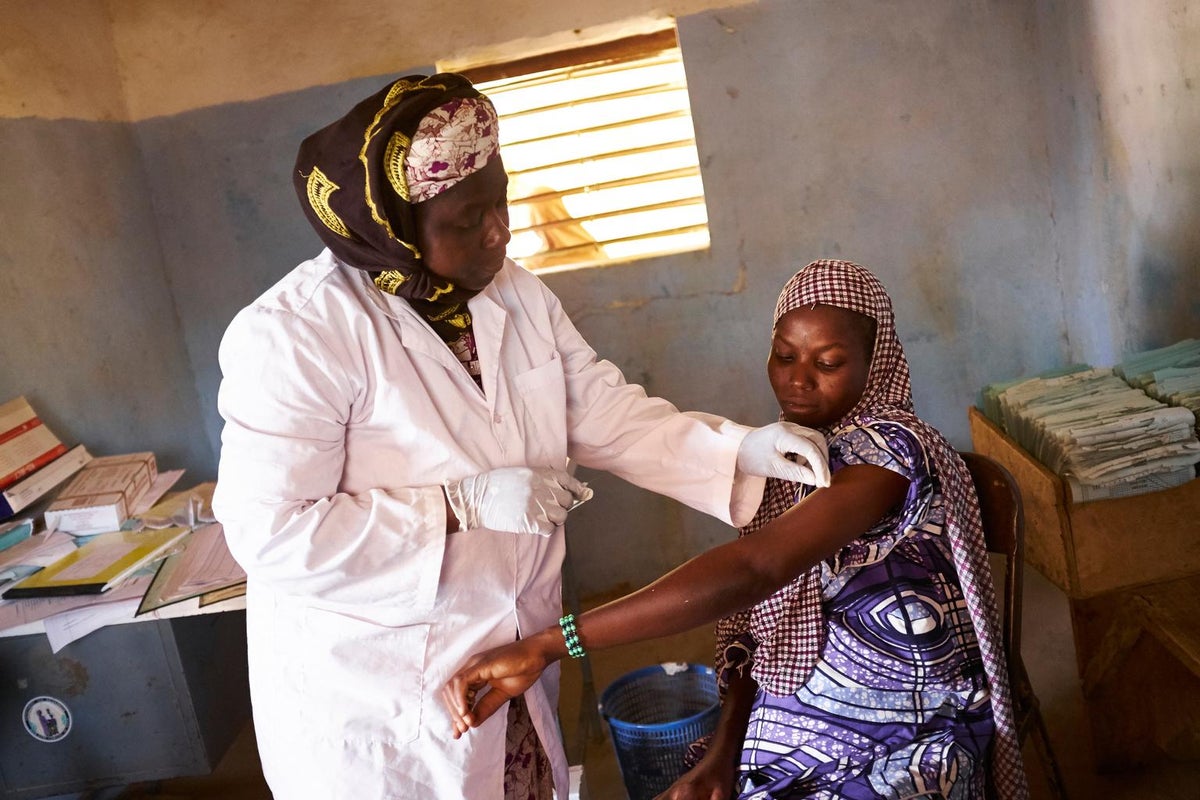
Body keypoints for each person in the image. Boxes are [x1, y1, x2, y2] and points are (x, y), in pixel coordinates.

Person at [211, 72, 831, 800]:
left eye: (500, 201)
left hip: (510, 658)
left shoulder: (512, 291)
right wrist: (458, 505)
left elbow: (598, 408)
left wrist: (735, 448)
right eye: (468, 220)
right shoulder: (296, 336)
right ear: (398, 229)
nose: (499, 231)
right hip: (381, 696)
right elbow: (271, 534)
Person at [444, 260, 1030, 800]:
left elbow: (756, 571)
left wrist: (553, 642)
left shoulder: (891, 455)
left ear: (877, 363)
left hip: (903, 721)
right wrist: (724, 751)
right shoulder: (798, 458)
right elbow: (764, 633)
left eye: (827, 363)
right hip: (798, 716)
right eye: (783, 356)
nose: (799, 380)